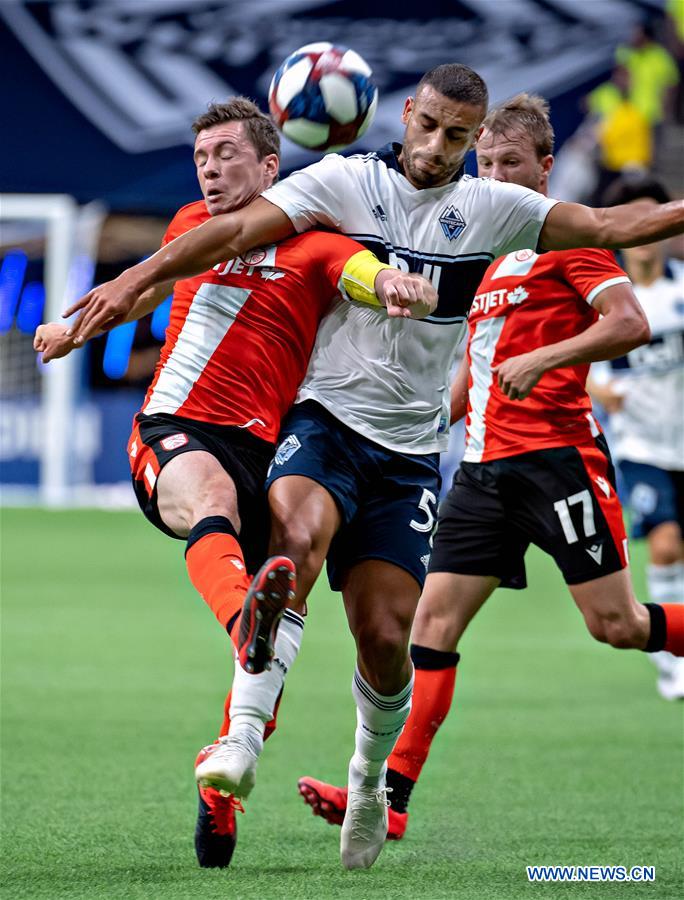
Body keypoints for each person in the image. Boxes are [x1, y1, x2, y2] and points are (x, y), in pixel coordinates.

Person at [61, 62, 684, 872]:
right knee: (293, 546)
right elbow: (235, 230)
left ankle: (368, 782)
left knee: (389, 635)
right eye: (428, 126)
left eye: (458, 136)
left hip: (413, 453)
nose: (437, 147)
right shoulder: (346, 181)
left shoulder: (496, 210)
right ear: (407, 112)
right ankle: (241, 740)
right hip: (323, 421)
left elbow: (607, 226)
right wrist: (137, 274)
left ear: (473, 136)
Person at [34, 97, 436, 870]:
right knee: (215, 518)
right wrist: (69, 325)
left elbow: (359, 273)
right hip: (174, 427)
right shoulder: (190, 224)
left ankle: (222, 787)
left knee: (280, 619)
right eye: (201, 157)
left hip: (264, 455)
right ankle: (244, 627)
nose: (210, 169)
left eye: (225, 155)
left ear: (270, 167)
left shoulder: (316, 246)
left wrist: (390, 283)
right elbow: (146, 289)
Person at [295, 95, 684, 841]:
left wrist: (547, 356)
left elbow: (628, 323)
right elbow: (477, 359)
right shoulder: (480, 247)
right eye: (487, 162)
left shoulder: (564, 239)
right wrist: (443, 410)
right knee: (430, 629)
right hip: (480, 471)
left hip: (558, 461)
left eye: (512, 163)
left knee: (619, 625)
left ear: (544, 166)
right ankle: (392, 800)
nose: (496, 175)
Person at [589, 175, 684, 701]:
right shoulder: (604, 294)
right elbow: (579, 361)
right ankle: (672, 663)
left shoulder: (682, 287)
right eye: (634, 223)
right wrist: (601, 385)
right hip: (641, 444)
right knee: (666, 544)